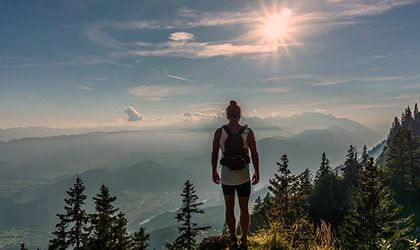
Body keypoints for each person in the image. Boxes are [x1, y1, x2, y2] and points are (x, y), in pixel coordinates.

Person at [211, 100, 260, 249]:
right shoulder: (248, 132)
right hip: (243, 176)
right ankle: (244, 240)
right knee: (244, 209)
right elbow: (254, 154)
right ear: (240, 115)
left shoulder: (220, 132)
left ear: (227, 115)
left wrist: (213, 171)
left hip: (227, 177)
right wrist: (257, 171)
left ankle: (233, 240)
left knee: (229, 208)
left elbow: (214, 153)